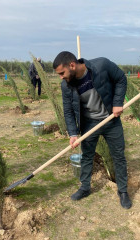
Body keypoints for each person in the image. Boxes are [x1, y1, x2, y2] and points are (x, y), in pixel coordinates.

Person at [53, 51, 131, 209]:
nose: (61, 77)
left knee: (118, 156)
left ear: (72, 65)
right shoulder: (66, 85)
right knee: (87, 156)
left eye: (62, 73)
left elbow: (121, 78)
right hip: (89, 124)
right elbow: (68, 111)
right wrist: (73, 133)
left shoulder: (101, 65)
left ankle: (123, 191)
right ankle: (85, 188)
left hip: (111, 120)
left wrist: (117, 102)